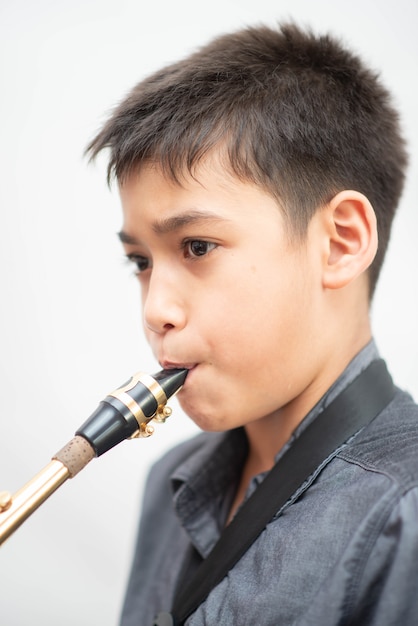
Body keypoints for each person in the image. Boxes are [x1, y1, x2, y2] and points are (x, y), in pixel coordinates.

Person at [86, 22, 418, 625]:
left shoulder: (408, 514)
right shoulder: (170, 480)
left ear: (341, 243)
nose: (156, 310)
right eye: (140, 261)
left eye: (197, 247)